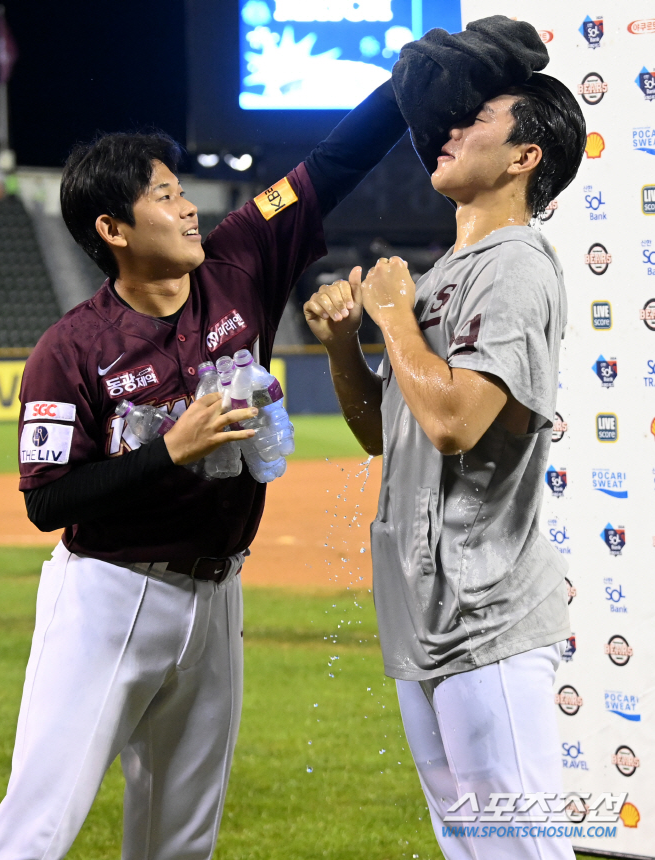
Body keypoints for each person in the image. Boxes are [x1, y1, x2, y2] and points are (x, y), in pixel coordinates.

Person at [0, 18, 551, 860]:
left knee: (181, 839)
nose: (186, 205)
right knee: (38, 826)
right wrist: (170, 450)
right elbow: (47, 501)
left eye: (181, 188)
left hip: (218, 593)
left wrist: (405, 85)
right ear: (113, 230)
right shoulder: (71, 349)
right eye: (163, 196)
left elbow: (330, 166)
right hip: (108, 594)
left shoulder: (239, 255)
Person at [304, 67, 586, 860]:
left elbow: (457, 421)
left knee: (520, 847)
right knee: (470, 846)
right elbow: (388, 432)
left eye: (478, 120)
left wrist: (392, 317)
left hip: (487, 615)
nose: (450, 130)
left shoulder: (516, 265)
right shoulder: (444, 276)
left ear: (525, 157)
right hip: (427, 614)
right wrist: (342, 347)